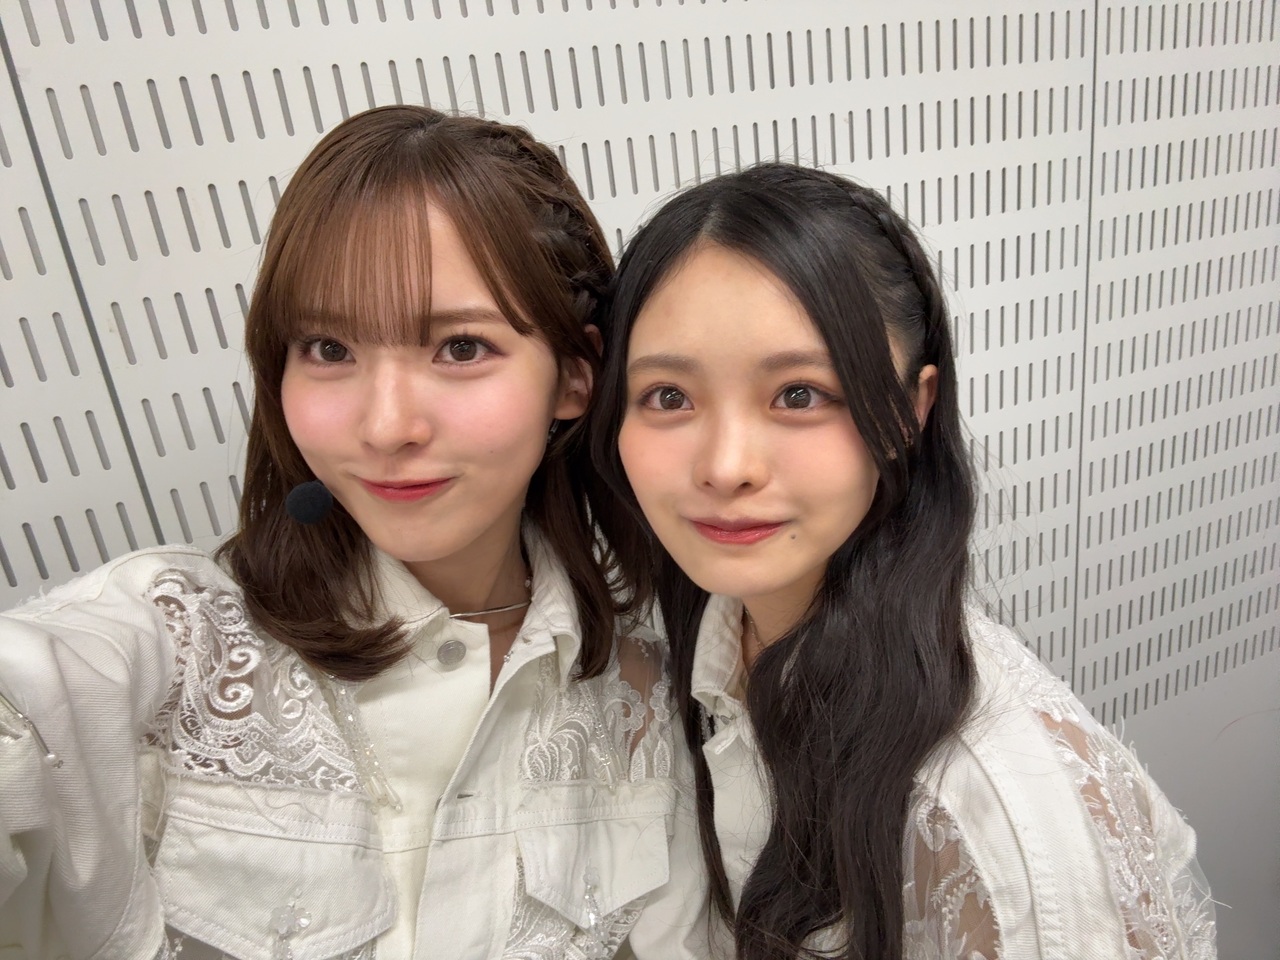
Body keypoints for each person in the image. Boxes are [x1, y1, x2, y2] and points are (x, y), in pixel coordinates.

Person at [0, 106, 708, 959]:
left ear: (573, 378)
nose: (385, 426)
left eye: (460, 347)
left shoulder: (644, 691)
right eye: (330, 348)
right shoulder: (173, 648)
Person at [588, 163, 1216, 960]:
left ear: (911, 411)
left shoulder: (989, 820)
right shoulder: (702, 635)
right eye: (669, 397)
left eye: (799, 394)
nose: (725, 467)